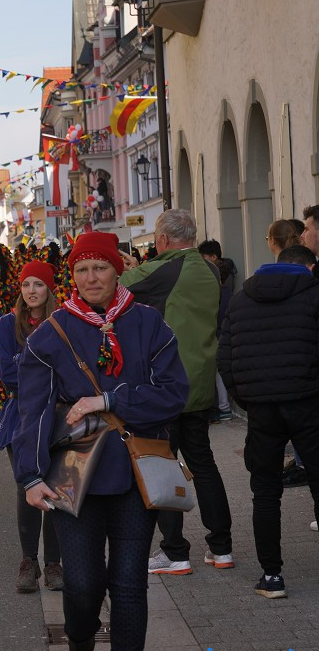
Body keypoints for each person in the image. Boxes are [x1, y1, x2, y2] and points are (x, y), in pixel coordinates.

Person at [14, 232, 188, 651]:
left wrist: (108, 399)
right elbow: (30, 410)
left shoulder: (149, 323)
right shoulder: (51, 333)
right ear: (71, 278)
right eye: (81, 270)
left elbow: (174, 394)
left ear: (118, 270)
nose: (91, 277)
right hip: (75, 477)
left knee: (130, 584)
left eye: (101, 267)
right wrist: (30, 475)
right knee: (84, 585)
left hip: (136, 472)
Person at [119, 209, 233, 575]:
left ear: (163, 240)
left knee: (164, 464)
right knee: (204, 464)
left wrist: (129, 264)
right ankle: (221, 548)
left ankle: (175, 551)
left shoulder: (166, 267)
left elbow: (121, 283)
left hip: (168, 383)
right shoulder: (210, 268)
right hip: (201, 379)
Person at [217, 244, 319, 598]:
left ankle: (271, 576)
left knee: (265, 493)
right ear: (308, 267)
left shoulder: (242, 299)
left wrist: (245, 397)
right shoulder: (313, 294)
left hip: (261, 409)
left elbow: (225, 356)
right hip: (308, 404)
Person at [0, 260, 62, 594]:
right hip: (20, 418)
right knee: (28, 486)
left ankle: (53, 564)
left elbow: (69, 375)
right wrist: (43, 369)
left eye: (38, 284)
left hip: (59, 417)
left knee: (58, 487)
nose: (31, 291)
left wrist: (28, 368)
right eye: (26, 285)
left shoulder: (62, 321)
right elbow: (6, 375)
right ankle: (28, 561)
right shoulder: (7, 325)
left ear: (49, 288)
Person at [198, 239, 235, 422]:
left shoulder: (222, 283)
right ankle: (223, 407)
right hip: (219, 330)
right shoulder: (227, 277)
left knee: (217, 370)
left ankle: (223, 408)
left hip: (218, 331)